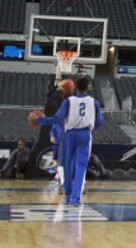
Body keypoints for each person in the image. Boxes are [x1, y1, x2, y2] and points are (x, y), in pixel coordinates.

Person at [35, 76, 103, 206]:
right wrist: (90, 128)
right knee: (81, 166)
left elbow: (57, 118)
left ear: (76, 87)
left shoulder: (68, 101)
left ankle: (67, 193)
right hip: (85, 134)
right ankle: (75, 198)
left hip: (70, 134)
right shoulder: (94, 102)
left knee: (67, 163)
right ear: (88, 87)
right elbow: (99, 122)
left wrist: (41, 120)